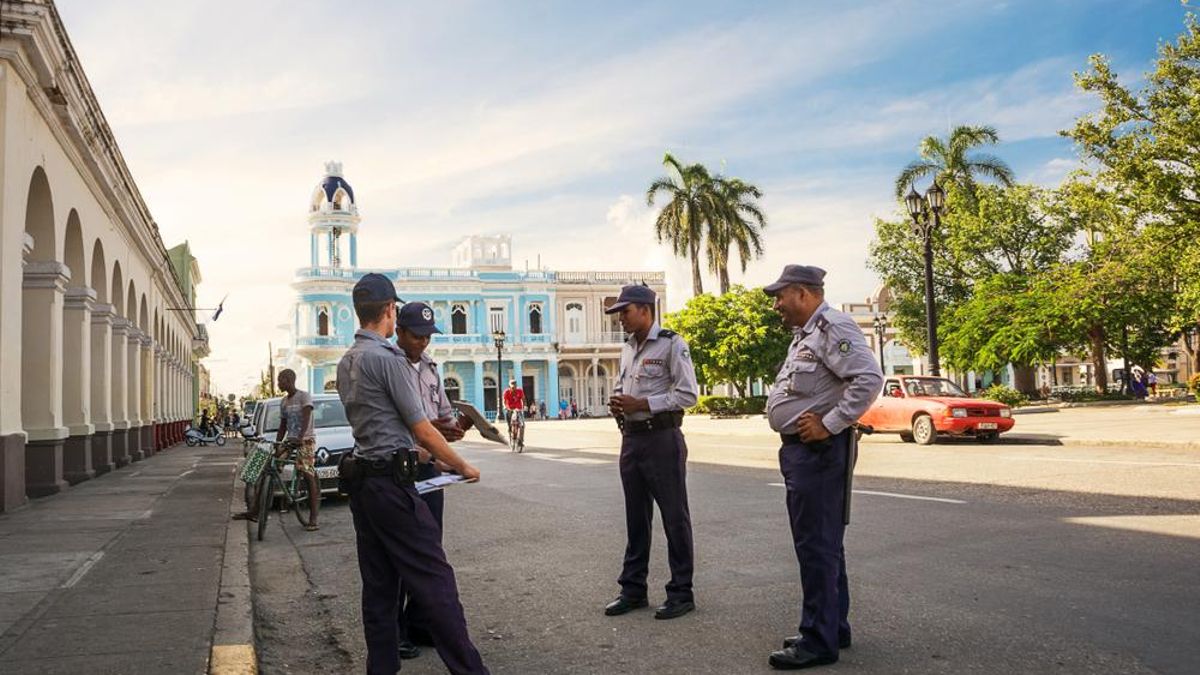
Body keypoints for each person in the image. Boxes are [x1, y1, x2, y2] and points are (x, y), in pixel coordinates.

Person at [336, 273, 487, 675]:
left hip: (364, 483)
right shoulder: (386, 359)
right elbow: (421, 428)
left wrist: (434, 454)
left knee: (380, 590)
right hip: (392, 485)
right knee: (436, 582)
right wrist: (462, 465)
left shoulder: (347, 360)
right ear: (390, 311)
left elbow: (385, 427)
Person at [763, 265, 883, 670]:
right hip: (803, 452)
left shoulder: (833, 326)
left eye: (780, 296)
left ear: (802, 293)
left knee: (816, 545)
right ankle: (833, 626)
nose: (777, 305)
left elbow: (868, 378)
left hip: (820, 452)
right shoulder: (805, 336)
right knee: (823, 543)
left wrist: (829, 423)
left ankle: (818, 640)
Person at [603, 283, 699, 621]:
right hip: (632, 440)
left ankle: (681, 591)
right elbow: (623, 385)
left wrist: (643, 403)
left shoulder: (673, 344)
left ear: (645, 310)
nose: (620, 321)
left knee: (674, 517)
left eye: (625, 313)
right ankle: (633, 589)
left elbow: (688, 395)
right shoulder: (628, 349)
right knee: (636, 517)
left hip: (662, 438)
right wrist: (618, 402)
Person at [392, 301, 473, 660]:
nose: (423, 343)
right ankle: (395, 631)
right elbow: (398, 426)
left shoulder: (430, 369)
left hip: (429, 471)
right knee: (400, 555)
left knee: (429, 549)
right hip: (401, 468)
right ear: (399, 333)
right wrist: (431, 432)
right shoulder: (389, 366)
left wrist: (453, 428)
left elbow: (440, 414)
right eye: (416, 336)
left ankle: (419, 623)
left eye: (428, 336)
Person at [232, 369, 321, 530]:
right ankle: (254, 512)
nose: (279, 383)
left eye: (280, 380)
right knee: (268, 467)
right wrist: (278, 444)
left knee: (307, 473)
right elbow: (282, 426)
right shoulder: (284, 402)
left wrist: (300, 438)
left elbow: (307, 418)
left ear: (288, 380)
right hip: (290, 440)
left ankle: (313, 518)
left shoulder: (304, 396)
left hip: (305, 440)